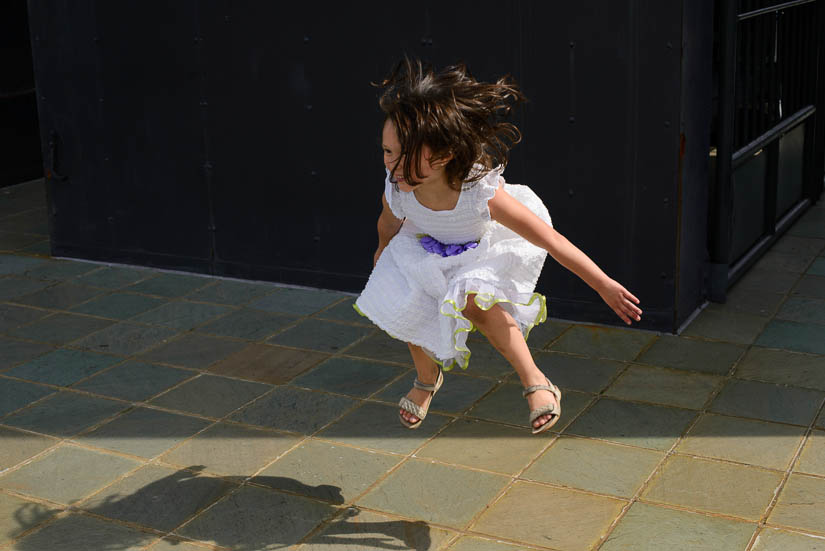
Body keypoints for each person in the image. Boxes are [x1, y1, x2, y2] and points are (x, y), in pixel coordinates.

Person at [354, 58, 642, 435]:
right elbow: (387, 223)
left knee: (476, 303)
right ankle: (427, 377)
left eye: (403, 156)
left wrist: (603, 283)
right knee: (402, 294)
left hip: (480, 249)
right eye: (387, 152)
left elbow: (551, 241)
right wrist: (382, 251)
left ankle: (536, 381)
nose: (392, 166)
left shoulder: (480, 195)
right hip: (425, 246)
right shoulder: (398, 188)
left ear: (442, 157)